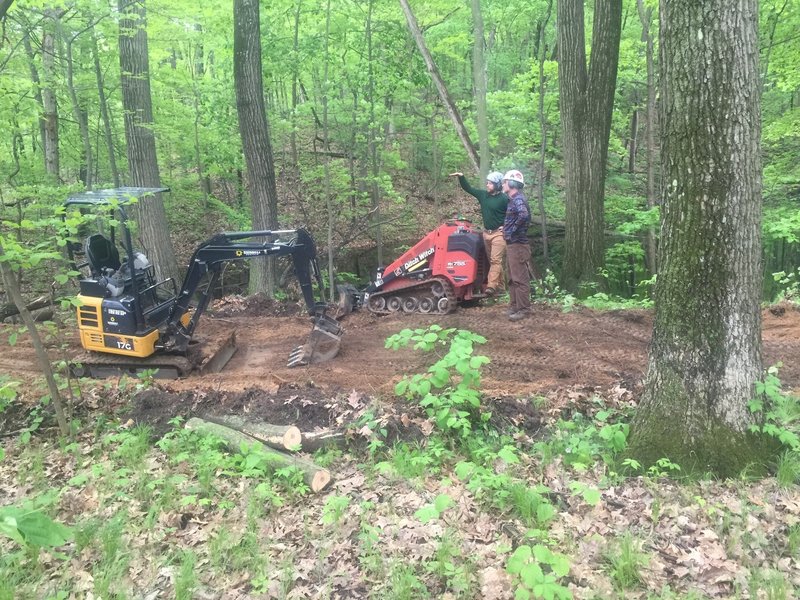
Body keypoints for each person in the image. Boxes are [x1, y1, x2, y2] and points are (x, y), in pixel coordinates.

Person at [448, 170, 509, 296]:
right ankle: (501, 288)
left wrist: (507, 226)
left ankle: (491, 287)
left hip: (499, 234)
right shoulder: (483, 195)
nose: (487, 185)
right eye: (487, 182)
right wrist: (461, 177)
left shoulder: (504, 199)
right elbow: (468, 188)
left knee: (495, 260)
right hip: (487, 234)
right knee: (493, 261)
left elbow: (513, 214)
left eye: (490, 183)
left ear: (497, 185)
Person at [501, 169, 533, 321]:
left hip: (518, 245)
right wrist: (507, 229)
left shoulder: (518, 199)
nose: (503, 184)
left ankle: (524, 309)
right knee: (512, 278)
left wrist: (511, 231)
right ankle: (514, 306)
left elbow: (523, 215)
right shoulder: (514, 199)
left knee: (519, 278)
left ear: (512, 183)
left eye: (505, 182)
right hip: (513, 245)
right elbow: (518, 217)